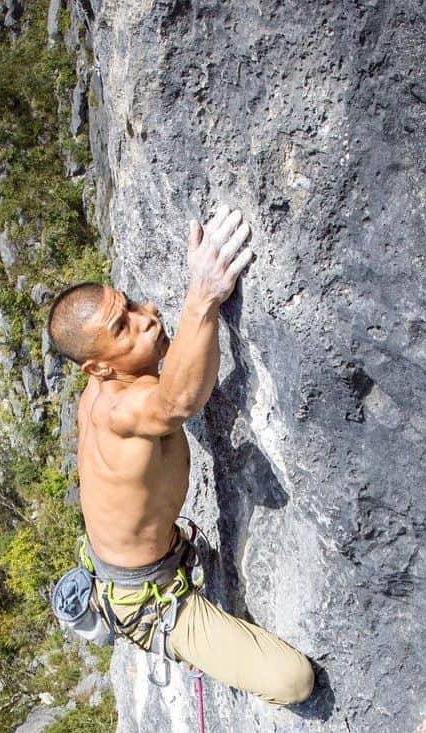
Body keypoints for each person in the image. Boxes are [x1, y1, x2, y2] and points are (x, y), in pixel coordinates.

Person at [45, 204, 315, 706]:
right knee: (293, 681)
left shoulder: (109, 385)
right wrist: (202, 296)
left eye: (131, 306)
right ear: (98, 369)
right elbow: (177, 401)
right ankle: (158, 635)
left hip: (137, 560)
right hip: (144, 601)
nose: (148, 318)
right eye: (123, 327)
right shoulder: (118, 408)